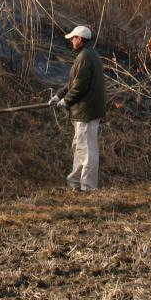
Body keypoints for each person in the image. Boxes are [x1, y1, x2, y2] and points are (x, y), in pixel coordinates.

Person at [51, 25, 107, 192]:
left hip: (86, 112)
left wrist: (65, 102)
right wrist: (59, 95)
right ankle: (75, 182)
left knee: (87, 150)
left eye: (73, 38)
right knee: (79, 147)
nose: (71, 41)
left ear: (80, 39)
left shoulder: (85, 57)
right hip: (84, 111)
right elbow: (73, 83)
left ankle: (88, 187)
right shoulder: (87, 55)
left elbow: (79, 87)